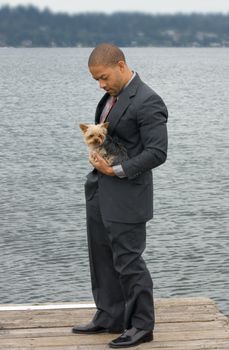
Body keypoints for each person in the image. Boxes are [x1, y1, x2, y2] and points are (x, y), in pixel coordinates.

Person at [72, 43, 168, 348]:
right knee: (101, 256)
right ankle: (110, 315)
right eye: (96, 81)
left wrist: (116, 170)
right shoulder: (110, 98)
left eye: (103, 77)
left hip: (128, 196)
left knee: (128, 261)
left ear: (121, 65)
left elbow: (157, 152)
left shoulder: (149, 101)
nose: (101, 84)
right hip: (100, 190)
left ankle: (142, 326)